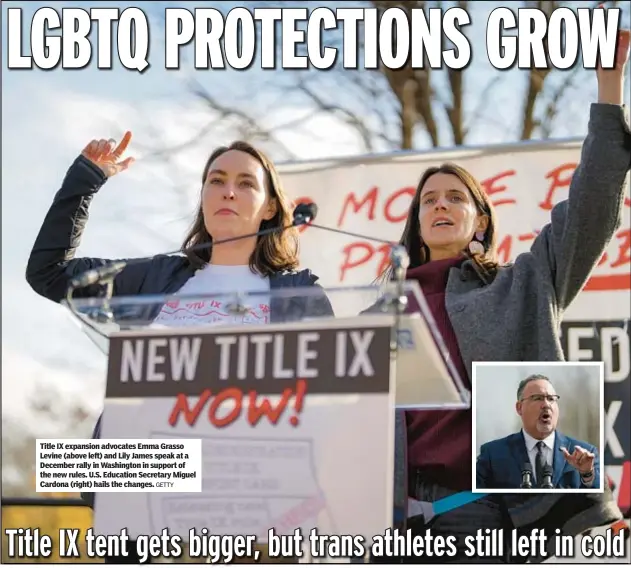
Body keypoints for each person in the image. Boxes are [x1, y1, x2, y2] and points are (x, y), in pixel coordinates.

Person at [371, 27, 630, 564]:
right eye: (428, 201)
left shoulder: (524, 284)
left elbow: (590, 204)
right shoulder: (379, 312)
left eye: (455, 198)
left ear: (480, 220)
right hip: (394, 525)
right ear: (417, 223)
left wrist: (609, 89)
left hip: (495, 517)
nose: (440, 206)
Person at [26, 136, 334, 563]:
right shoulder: (157, 276)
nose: (228, 190)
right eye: (216, 180)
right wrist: (85, 180)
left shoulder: (298, 294)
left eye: (246, 183)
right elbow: (47, 273)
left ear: (269, 207)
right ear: (204, 196)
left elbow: (330, 405)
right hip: (140, 502)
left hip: (250, 511)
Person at [476, 374, 601, 490]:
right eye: (538, 398)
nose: (546, 404)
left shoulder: (585, 454)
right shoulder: (492, 455)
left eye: (551, 399)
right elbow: (477, 505)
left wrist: (587, 474)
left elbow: (599, 505)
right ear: (519, 408)